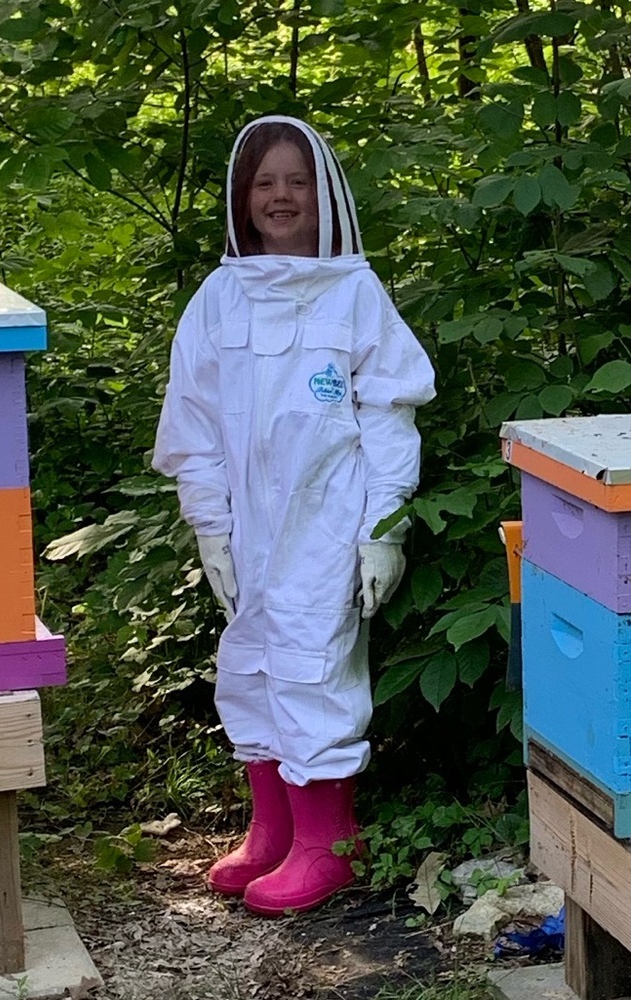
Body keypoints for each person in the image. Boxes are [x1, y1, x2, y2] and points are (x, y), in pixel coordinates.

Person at [152, 116, 436, 917]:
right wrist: (209, 525)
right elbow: (196, 423)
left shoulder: (355, 292)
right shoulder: (217, 296)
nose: (280, 196)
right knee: (248, 665)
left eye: (297, 181)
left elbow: (388, 415)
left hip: (328, 518)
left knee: (315, 662)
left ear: (326, 193)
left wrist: (382, 527)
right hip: (246, 522)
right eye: (265, 181)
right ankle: (273, 831)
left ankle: (327, 846)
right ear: (243, 198)